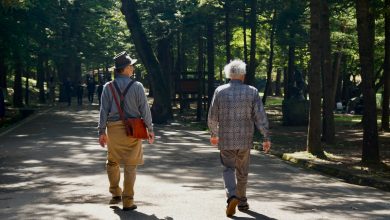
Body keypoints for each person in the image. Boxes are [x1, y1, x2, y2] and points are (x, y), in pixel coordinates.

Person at [207, 59, 271, 217]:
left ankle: (232, 196)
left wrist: (214, 134)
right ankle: (242, 201)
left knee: (228, 168)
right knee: (242, 171)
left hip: (226, 138)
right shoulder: (252, 91)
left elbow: (213, 115)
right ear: (242, 75)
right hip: (245, 139)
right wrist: (266, 136)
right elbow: (259, 116)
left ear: (229, 74)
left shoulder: (220, 91)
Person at [98, 51, 155, 211]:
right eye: (131, 65)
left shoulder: (108, 87)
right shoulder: (137, 86)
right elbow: (145, 110)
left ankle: (115, 193)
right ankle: (128, 201)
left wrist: (101, 131)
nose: (133, 68)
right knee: (131, 165)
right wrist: (150, 129)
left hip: (114, 130)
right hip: (133, 129)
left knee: (112, 161)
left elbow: (103, 111)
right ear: (125, 68)